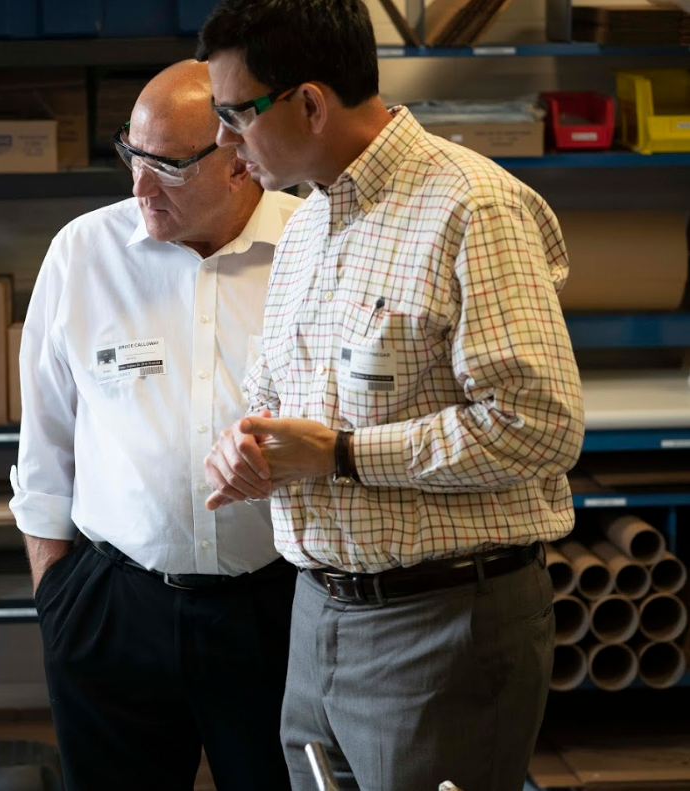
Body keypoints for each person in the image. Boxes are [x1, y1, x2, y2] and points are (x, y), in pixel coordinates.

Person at [197, 2, 585, 789]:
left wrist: (339, 455)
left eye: (235, 114)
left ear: (308, 102)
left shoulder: (471, 206)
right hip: (317, 614)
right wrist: (249, 447)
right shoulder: (306, 228)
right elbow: (278, 397)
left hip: (441, 623)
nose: (223, 143)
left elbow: (538, 426)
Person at [9, 59, 302, 791]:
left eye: (167, 166)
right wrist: (59, 600)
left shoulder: (312, 248)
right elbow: (44, 444)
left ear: (239, 160)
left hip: (277, 607)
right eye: (131, 156)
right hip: (114, 608)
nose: (138, 186)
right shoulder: (84, 253)